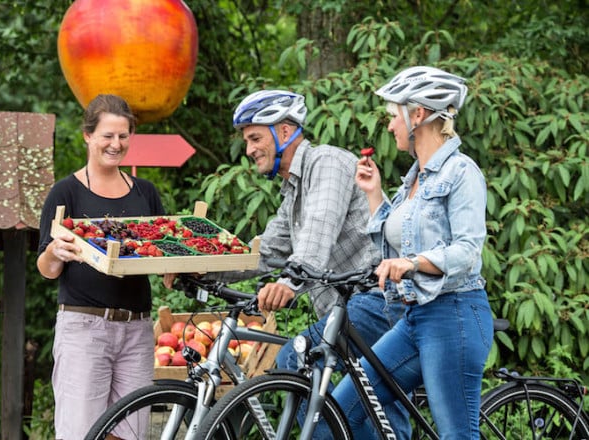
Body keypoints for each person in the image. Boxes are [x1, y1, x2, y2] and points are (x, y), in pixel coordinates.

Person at [166, 89, 411, 438]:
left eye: (255, 138)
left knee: (295, 361)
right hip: (347, 311)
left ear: (284, 132)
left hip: (379, 301)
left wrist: (287, 284)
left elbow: (317, 237)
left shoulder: (326, 164)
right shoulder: (293, 191)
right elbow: (265, 253)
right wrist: (202, 268)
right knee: (373, 409)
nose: (248, 150)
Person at [331, 66, 494, 439]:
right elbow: (396, 242)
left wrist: (414, 263)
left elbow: (467, 251)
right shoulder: (413, 180)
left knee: (456, 434)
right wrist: (375, 195)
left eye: (393, 115)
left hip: (455, 315)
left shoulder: (461, 172)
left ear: (417, 114)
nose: (390, 127)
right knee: (341, 410)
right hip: (414, 319)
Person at [36, 94, 165, 439]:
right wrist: (55, 253)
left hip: (136, 331)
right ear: (88, 136)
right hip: (84, 328)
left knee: (131, 433)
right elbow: (46, 268)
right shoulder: (65, 193)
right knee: (81, 432)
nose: (116, 144)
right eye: (107, 135)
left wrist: (184, 268)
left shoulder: (146, 193)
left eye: (123, 136)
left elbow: (161, 255)